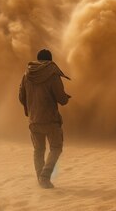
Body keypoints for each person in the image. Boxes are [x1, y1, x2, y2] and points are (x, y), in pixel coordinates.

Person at [19, 49, 71, 189]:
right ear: (49, 60)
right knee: (56, 148)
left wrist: (29, 110)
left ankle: (40, 179)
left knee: (38, 150)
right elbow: (61, 99)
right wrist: (66, 98)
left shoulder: (26, 75)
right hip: (50, 120)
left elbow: (21, 97)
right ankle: (45, 176)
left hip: (34, 121)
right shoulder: (53, 75)